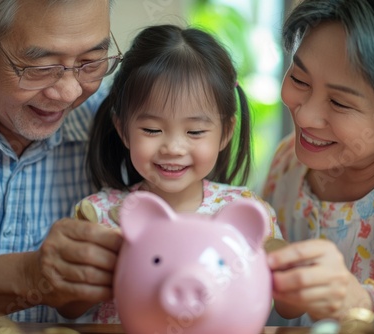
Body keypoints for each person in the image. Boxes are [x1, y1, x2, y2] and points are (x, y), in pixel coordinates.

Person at [57, 24, 299, 323]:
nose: (173, 147)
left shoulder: (245, 211)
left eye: (195, 131)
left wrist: (283, 268)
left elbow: (290, 307)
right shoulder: (100, 215)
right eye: (152, 130)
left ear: (225, 133)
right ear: (122, 129)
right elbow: (67, 307)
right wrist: (104, 266)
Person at [0, 0, 124, 322]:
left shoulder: (120, 126)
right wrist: (26, 277)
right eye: (41, 67)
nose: (69, 92)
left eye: (91, 62)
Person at [262, 0, 374, 326]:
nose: (305, 115)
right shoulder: (288, 163)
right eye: (299, 79)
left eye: (339, 102)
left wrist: (356, 303)